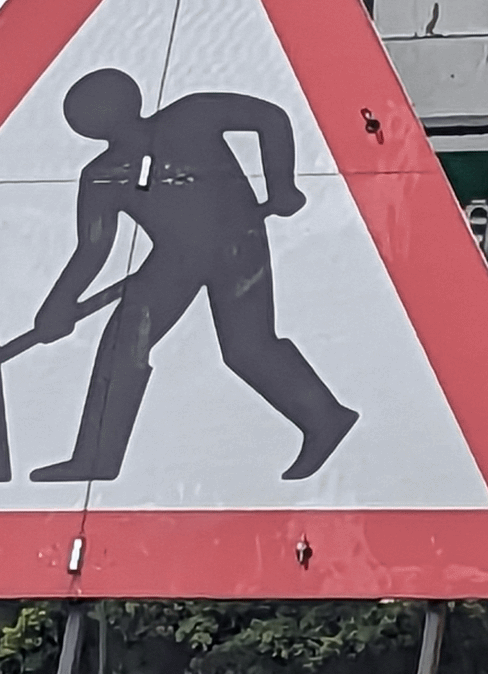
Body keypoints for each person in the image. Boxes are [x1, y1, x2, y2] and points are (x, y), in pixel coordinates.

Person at [30, 68, 358, 482]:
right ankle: (95, 458)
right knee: (121, 344)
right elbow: (93, 249)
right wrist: (57, 306)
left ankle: (325, 418)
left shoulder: (191, 115)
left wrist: (282, 186)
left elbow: (270, 117)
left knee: (247, 347)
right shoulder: (101, 174)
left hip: (236, 242)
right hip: (174, 259)